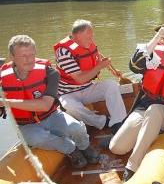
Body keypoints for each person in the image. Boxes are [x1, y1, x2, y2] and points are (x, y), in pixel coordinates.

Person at [109, 22, 164, 181]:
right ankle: (152, 132)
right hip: (145, 105)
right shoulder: (153, 55)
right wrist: (157, 36)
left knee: (155, 110)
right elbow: (134, 66)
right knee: (117, 147)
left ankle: (132, 166)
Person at [0, 35, 99, 168]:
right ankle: (71, 149)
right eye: (23, 56)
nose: (29, 60)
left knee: (75, 128)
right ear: (12, 57)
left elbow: (46, 105)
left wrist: (7, 101)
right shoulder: (3, 78)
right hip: (25, 125)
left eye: (31, 54)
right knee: (37, 138)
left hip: (51, 115)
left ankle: (85, 147)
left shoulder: (49, 72)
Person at [53, 19, 127, 133]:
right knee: (72, 107)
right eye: (89, 37)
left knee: (111, 85)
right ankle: (103, 122)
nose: (91, 40)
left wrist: (112, 69)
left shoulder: (86, 42)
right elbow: (80, 78)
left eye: (92, 36)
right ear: (76, 36)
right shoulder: (63, 52)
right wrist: (100, 67)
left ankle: (118, 121)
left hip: (88, 87)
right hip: (68, 93)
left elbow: (96, 56)